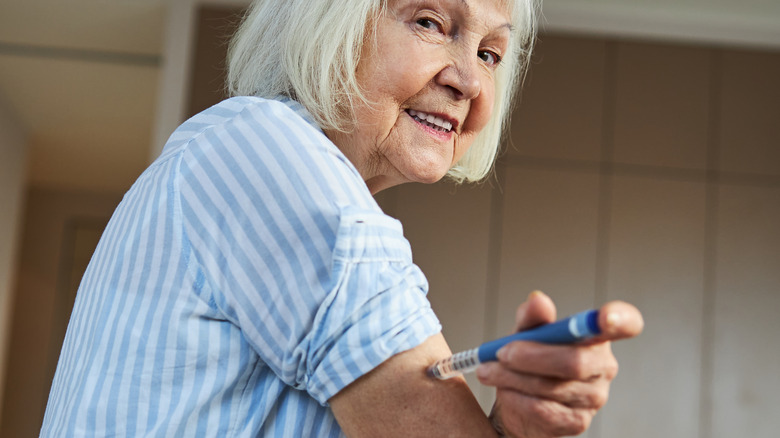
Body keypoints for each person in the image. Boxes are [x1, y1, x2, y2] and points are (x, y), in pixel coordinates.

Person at [41, 0, 644, 436]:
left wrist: (516, 427)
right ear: (329, 21)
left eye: (490, 53)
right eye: (431, 23)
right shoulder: (265, 147)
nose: (468, 81)